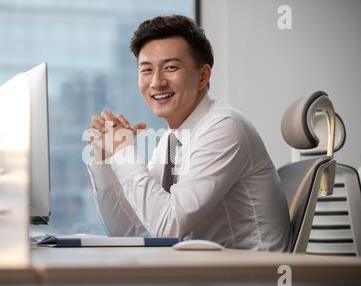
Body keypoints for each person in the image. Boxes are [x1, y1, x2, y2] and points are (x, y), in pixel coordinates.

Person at [86, 15, 291, 251]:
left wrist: (123, 151)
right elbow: (127, 231)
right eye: (146, 70)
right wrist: (104, 160)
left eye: (170, 68)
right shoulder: (172, 140)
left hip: (251, 280)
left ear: (203, 76)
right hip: (210, 275)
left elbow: (169, 226)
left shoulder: (224, 127)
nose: (156, 82)